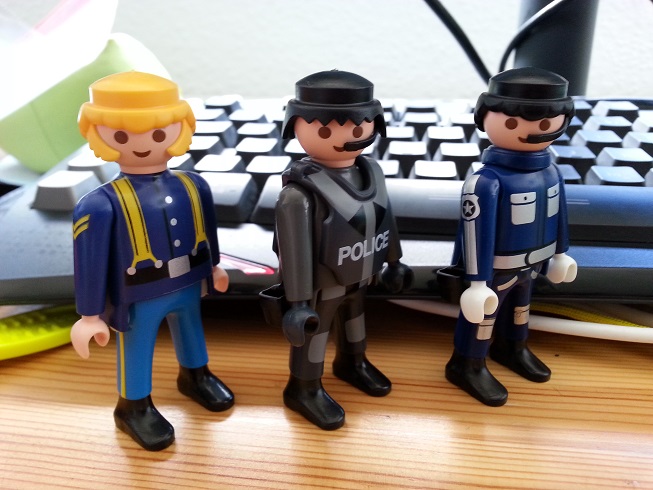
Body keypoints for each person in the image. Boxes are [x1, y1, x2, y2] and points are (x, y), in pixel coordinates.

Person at [71, 71, 233, 451]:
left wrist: (214, 266)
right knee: (137, 344)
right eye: (122, 136)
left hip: (189, 279)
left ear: (180, 128)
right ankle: (133, 406)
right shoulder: (100, 204)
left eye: (158, 133)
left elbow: (207, 229)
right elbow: (89, 261)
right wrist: (89, 315)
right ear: (98, 134)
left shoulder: (194, 185)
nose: (143, 145)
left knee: (191, 328)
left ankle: (195, 376)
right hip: (139, 292)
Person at [269, 70, 412, 430]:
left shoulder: (372, 172)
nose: (349, 137)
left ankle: (353, 363)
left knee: (355, 321)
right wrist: (298, 303)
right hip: (321, 285)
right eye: (325, 130)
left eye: (359, 126)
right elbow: (294, 251)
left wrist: (394, 260)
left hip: (361, 273)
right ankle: (303, 387)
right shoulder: (298, 194)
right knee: (315, 334)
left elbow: (385, 217)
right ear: (296, 127)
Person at [445, 67, 577, 407]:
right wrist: (476, 281)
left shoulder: (552, 171)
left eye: (545, 123)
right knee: (483, 317)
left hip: (533, 263)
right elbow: (474, 232)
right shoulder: (486, 181)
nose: (532, 131)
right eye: (514, 122)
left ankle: (513, 347)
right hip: (495, 269)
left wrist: (561, 253)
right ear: (484, 117)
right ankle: (467, 363)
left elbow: (560, 215)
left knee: (521, 309)